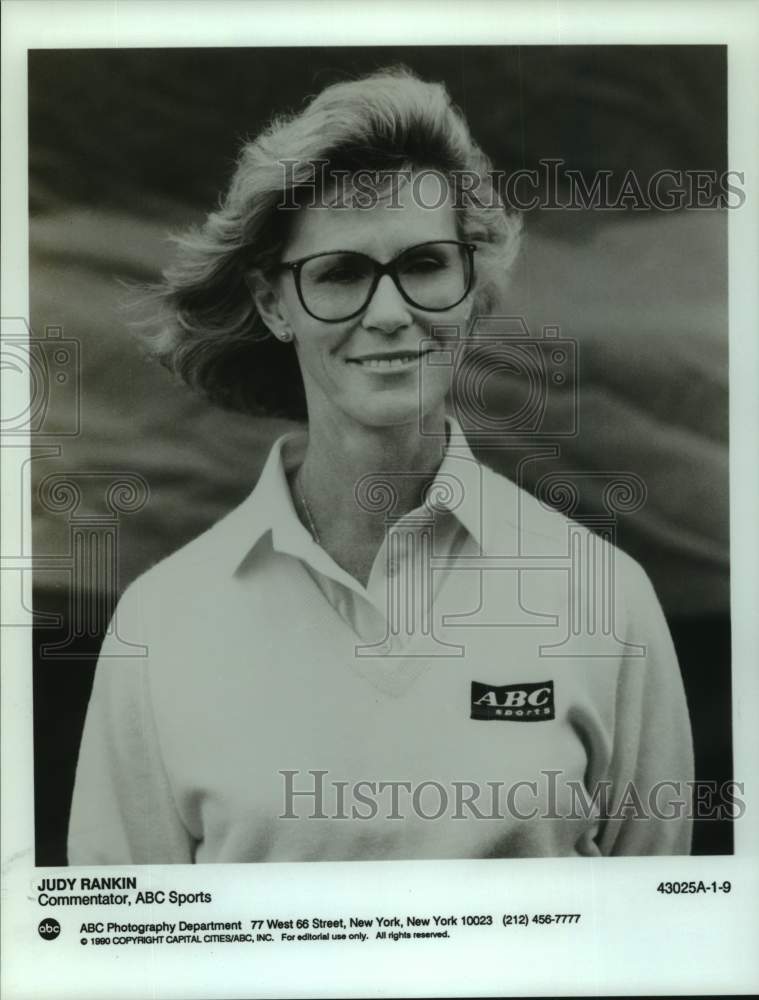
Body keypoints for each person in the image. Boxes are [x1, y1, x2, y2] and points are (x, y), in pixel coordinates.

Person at [68, 67, 693, 864]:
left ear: (470, 282)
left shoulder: (608, 603)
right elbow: (126, 962)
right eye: (341, 274)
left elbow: (652, 942)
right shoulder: (157, 628)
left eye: (425, 264)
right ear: (271, 303)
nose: (390, 312)